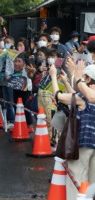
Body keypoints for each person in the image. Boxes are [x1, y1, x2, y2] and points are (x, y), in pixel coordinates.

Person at [49, 61, 95, 200]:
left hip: (81, 145)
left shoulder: (84, 97)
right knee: (92, 181)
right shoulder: (86, 96)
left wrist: (53, 76)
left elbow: (59, 96)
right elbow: (75, 96)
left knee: (78, 178)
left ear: (87, 78)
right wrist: (67, 82)